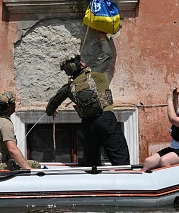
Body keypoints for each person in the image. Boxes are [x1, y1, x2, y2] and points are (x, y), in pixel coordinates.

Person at [45, 31, 130, 167]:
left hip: (88, 125)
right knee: (121, 160)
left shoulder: (68, 87)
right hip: (106, 119)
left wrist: (53, 111)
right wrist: (102, 38)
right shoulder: (96, 72)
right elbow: (107, 54)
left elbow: (50, 108)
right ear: (82, 64)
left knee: (91, 164)